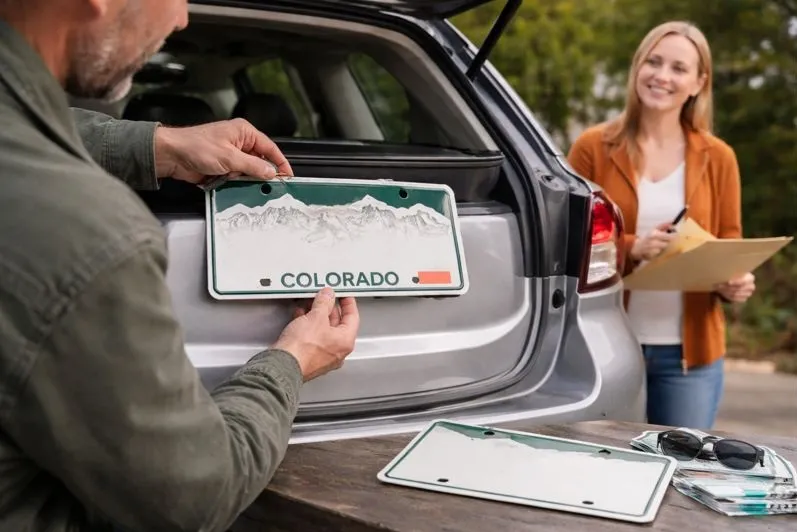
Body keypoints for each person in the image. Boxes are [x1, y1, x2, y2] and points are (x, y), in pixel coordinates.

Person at [0, 1, 359, 531]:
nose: (184, 19)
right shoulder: (90, 234)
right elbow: (191, 502)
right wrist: (290, 362)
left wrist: (159, 145)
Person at [567, 21, 756, 430]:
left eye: (678, 68)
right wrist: (630, 246)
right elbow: (563, 236)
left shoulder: (719, 157)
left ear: (698, 82)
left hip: (689, 357)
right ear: (638, 68)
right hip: (607, 344)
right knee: (603, 467)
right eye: (653, 62)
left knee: (681, 468)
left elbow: (730, 238)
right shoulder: (592, 147)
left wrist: (732, 280)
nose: (662, 76)